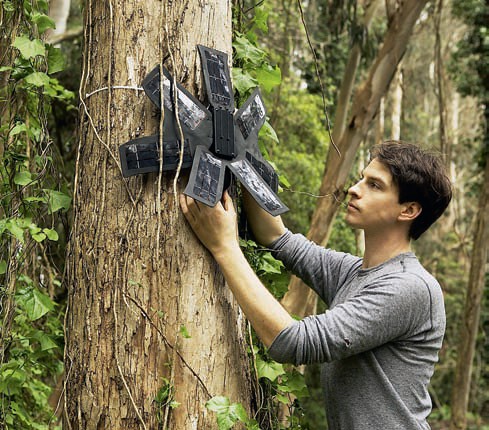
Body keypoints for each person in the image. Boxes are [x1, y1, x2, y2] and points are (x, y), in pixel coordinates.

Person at [179, 141, 452, 429]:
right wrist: (238, 155)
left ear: (408, 210)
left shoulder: (409, 287)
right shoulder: (355, 273)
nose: (354, 189)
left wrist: (224, 247)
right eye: (362, 178)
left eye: (374, 185)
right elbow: (279, 239)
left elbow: (293, 342)